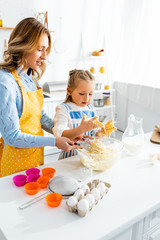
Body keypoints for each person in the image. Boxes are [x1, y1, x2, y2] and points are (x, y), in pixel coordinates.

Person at [0, 17, 79, 177]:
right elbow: (12, 137)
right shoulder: (6, 82)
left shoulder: (31, 77)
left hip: (35, 158)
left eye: (46, 50)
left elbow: (41, 118)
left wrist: (66, 133)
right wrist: (55, 142)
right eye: (40, 49)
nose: (44, 56)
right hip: (15, 165)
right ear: (23, 45)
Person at [53, 69, 98, 159]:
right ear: (69, 91)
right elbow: (60, 134)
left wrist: (100, 132)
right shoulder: (63, 109)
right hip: (70, 158)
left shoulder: (91, 109)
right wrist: (81, 129)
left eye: (90, 94)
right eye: (82, 94)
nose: (87, 98)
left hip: (88, 157)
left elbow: (94, 133)